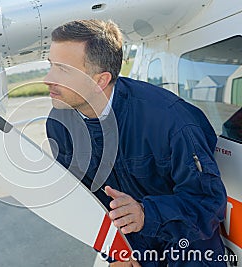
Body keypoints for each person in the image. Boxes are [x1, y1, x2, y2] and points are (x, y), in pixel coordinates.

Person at [44, 19, 227, 266]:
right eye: (50, 66)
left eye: (63, 69)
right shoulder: (59, 123)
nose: (48, 78)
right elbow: (84, 201)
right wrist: (115, 251)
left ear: (100, 80)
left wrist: (146, 214)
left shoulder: (172, 121)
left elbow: (209, 203)